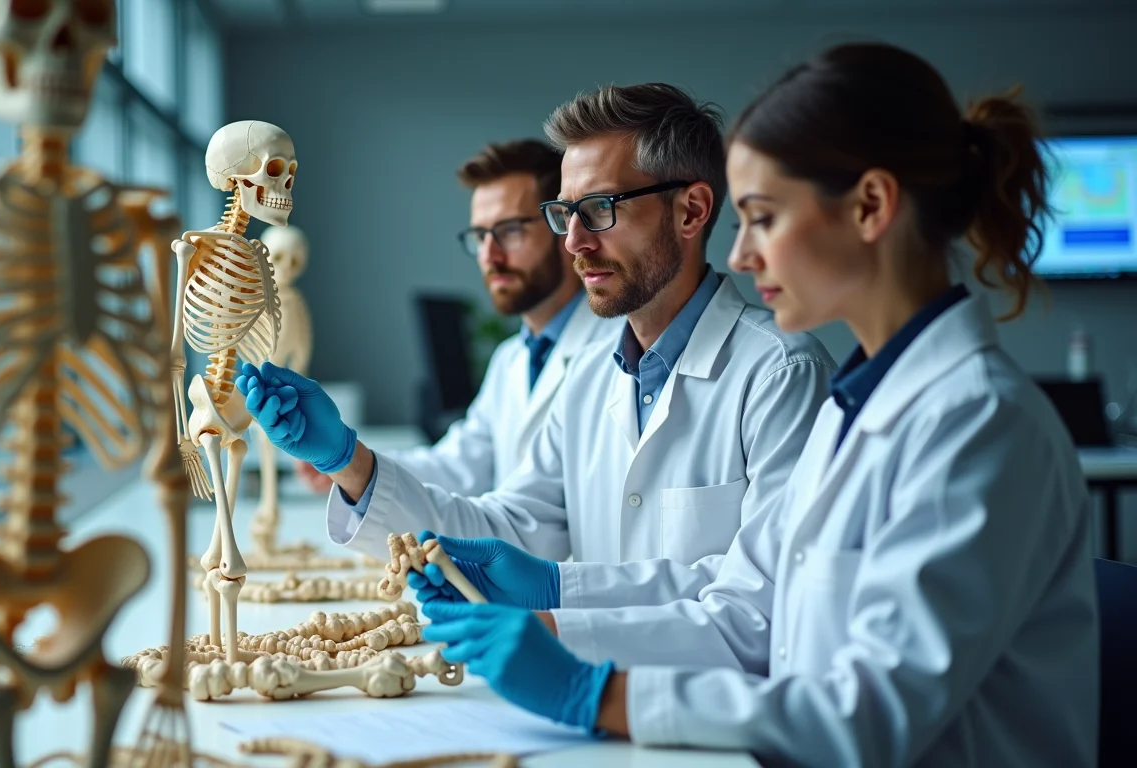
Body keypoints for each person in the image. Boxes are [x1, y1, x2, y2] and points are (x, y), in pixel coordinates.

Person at [411, 42, 1099, 767]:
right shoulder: (853, 410)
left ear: (869, 207)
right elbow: (743, 617)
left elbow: (869, 713)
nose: (740, 256)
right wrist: (556, 606)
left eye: (763, 217)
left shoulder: (978, 425)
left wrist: (597, 694)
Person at [239, 83, 835, 591]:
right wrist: (350, 463)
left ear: (690, 211)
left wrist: (562, 598)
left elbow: (765, 598)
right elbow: (510, 528)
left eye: (599, 208)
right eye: (564, 213)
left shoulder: (780, 374)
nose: (573, 241)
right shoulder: (591, 377)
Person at [294, 139, 623, 497]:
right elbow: (459, 468)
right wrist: (349, 463)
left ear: (561, 226)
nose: (489, 255)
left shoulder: (620, 349)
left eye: (510, 230)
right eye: (480, 236)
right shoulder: (511, 359)